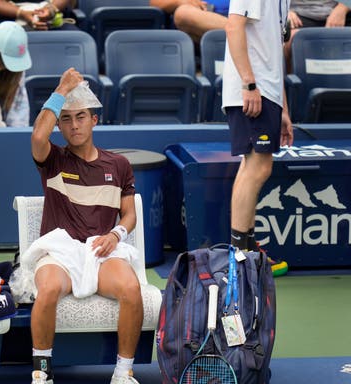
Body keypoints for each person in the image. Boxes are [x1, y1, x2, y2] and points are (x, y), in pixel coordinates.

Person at [17, 67, 147, 384]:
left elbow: (129, 214)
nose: (74, 125)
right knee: (46, 291)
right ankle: (42, 378)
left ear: (94, 120)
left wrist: (116, 235)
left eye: (81, 117)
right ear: (59, 126)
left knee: (132, 290)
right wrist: (62, 87)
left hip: (101, 251)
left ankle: (123, 376)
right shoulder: (53, 159)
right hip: (60, 252)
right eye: (66, 120)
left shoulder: (118, 165)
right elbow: (36, 138)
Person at [221, 0, 293, 275]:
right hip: (253, 90)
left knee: (252, 165)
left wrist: (283, 108)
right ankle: (240, 257)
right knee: (258, 167)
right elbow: (233, 26)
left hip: (267, 92)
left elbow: (273, 52)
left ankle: (246, 249)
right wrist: (249, 84)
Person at [284, 0, 350, 71]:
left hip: (343, 11)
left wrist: (342, 8)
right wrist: (286, 11)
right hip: (299, 15)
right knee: (290, 40)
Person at [150, 0, 229, 43]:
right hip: (200, 19)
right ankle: (237, 33)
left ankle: (237, 33)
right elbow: (153, 2)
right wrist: (179, 1)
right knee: (183, 13)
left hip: (237, 15)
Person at [0, 0, 78, 31]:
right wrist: (21, 13)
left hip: (54, 19)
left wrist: (51, 9)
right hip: (8, 19)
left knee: (77, 39)